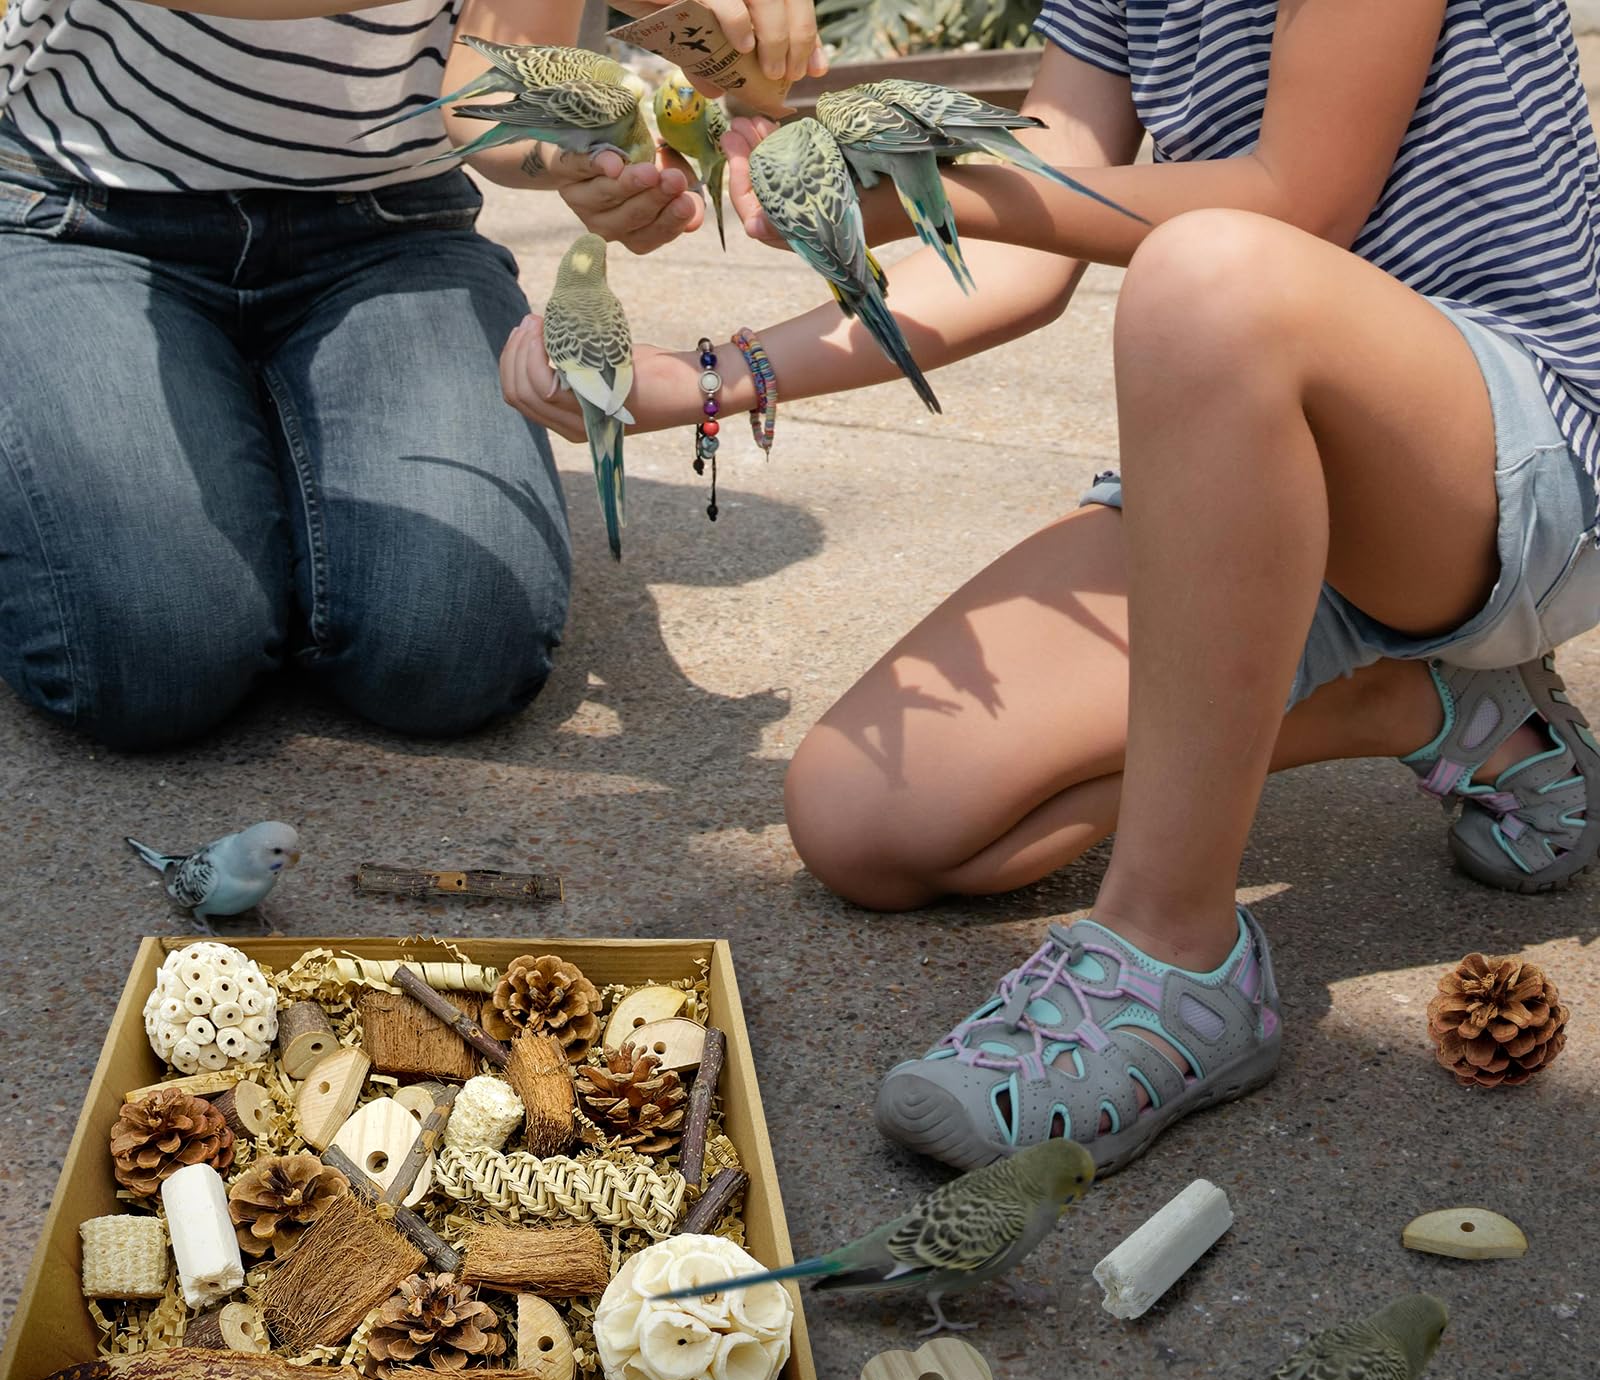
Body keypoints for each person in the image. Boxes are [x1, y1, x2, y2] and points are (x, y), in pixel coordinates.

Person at [504, 0, 1600, 1176]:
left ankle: (1176, 953)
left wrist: (911, 177)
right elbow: (1037, 229)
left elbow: (1294, 198)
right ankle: (1430, 707)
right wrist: (702, 378)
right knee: (862, 819)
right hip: (1247, 483)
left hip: (1502, 454)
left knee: (1208, 272)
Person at [0, 0, 820, 749]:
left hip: (384, 225)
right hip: (80, 215)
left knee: (452, 650)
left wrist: (573, 157)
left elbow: (486, 73)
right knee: (154, 659)